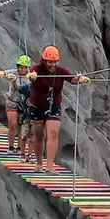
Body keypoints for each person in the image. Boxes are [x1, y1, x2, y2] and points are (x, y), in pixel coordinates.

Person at [25, 45, 90, 173]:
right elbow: (32, 75)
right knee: (38, 135)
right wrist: (31, 76)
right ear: (44, 61)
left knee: (53, 133)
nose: (52, 65)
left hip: (53, 107)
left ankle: (49, 166)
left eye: (55, 62)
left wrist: (80, 79)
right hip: (37, 107)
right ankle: (39, 163)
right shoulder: (36, 69)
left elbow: (72, 79)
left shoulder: (61, 71)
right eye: (50, 62)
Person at [0, 56, 33, 154]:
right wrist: (1, 74)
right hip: (12, 102)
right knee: (13, 125)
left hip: (24, 105)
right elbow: (3, 72)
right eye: (21, 67)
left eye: (25, 67)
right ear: (18, 67)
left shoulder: (30, 77)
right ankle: (11, 146)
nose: (23, 69)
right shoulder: (13, 73)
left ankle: (20, 147)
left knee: (22, 127)